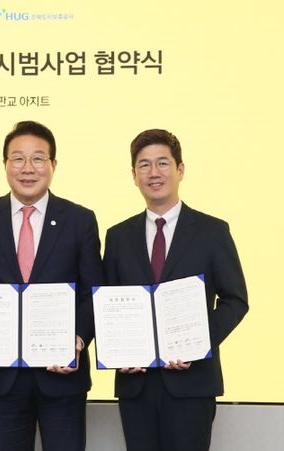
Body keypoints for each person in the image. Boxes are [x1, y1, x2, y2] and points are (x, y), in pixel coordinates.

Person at [0, 120, 104, 451]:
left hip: (62, 375)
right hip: (1, 376)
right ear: (5, 164)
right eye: (18, 158)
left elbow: (93, 293)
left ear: (53, 165)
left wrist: (78, 340)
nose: (27, 168)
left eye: (38, 158)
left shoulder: (79, 219)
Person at [103, 129, 248, 451]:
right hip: (136, 384)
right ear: (134, 175)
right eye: (144, 165)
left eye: (163, 163)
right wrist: (118, 353)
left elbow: (235, 300)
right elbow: (107, 303)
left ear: (180, 169)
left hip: (192, 383)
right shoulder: (117, 237)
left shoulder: (212, 231)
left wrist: (198, 342)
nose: (154, 173)